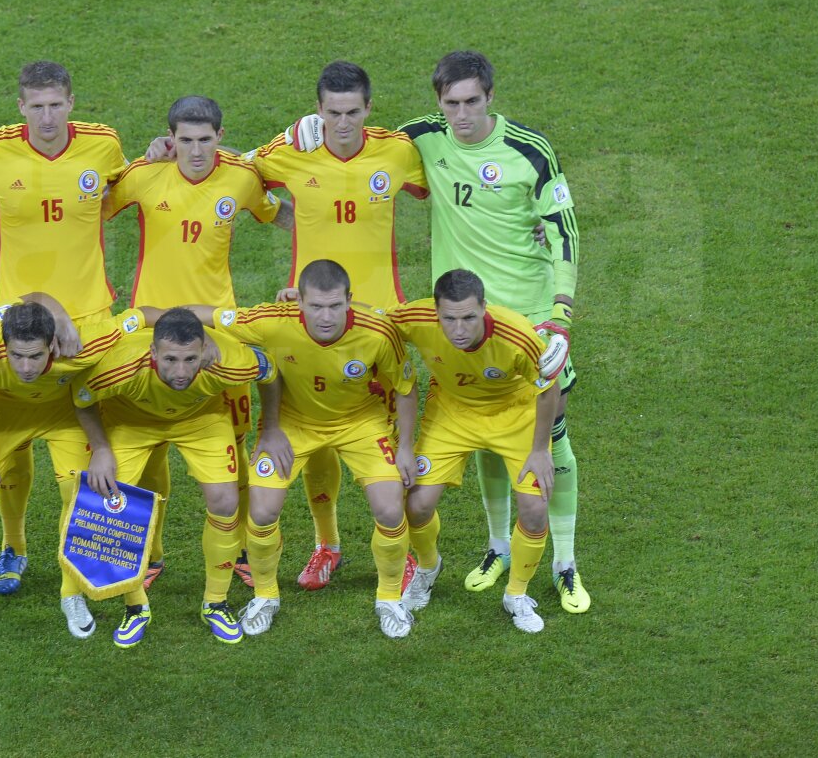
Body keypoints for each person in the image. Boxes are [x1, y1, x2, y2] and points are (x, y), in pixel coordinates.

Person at [148, 62, 427, 592]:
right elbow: (223, 167)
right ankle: (328, 544)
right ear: (317, 111)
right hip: (311, 315)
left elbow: (448, 168)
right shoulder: (289, 151)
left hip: (381, 321)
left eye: (352, 112)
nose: (342, 123)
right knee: (319, 438)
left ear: (369, 108)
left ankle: (404, 552)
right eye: (331, 113)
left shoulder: (398, 151)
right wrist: (159, 151)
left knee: (389, 447)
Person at [397, 51, 587, 612]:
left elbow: (564, 231)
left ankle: (565, 560)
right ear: (438, 102)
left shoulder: (530, 150)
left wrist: (561, 314)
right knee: (483, 426)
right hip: (460, 320)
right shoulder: (425, 139)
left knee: (549, 438)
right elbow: (357, 147)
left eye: (471, 102)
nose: (461, 115)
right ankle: (498, 546)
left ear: (490, 97)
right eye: (450, 103)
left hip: (528, 320)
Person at [0, 61, 129, 598]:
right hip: (13, 322)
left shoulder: (103, 145)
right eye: (37, 106)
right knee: (1, 452)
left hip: (91, 323)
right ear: (21, 107)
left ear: (72, 102)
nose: (48, 116)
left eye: (56, 104)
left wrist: (165, 152)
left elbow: (125, 192)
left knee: (105, 450)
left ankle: (102, 568)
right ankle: (13, 545)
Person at [104, 95, 284, 588]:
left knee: (235, 443)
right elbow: (90, 211)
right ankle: (151, 554)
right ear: (171, 137)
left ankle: (244, 550)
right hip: (149, 334)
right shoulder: (145, 175)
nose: (197, 150)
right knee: (150, 449)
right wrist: (133, 161)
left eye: (206, 139)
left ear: (220, 137)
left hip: (218, 334)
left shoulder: (241, 178)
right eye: (186, 140)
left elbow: (280, 215)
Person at [194, 259, 420, 639]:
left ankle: (388, 598)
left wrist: (406, 448)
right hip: (292, 425)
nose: (326, 316)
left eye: (335, 306)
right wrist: (153, 324)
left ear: (351, 300)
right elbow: (206, 315)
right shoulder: (272, 320)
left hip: (360, 422)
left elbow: (407, 386)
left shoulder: (378, 333)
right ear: (299, 301)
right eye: (316, 306)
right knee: (262, 511)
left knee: (389, 507)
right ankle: (266, 596)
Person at [75, 308, 275, 647]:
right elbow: (81, 397)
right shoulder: (119, 365)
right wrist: (101, 448)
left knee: (226, 501)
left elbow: (269, 372)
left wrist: (270, 429)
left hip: (202, 419)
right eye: (170, 359)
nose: (180, 372)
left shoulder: (229, 361)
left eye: (189, 359)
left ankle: (216, 603)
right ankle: (135, 607)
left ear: (204, 351)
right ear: (152, 353)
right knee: (113, 503)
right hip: (132, 422)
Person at [0, 302, 141, 640]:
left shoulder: (83, 345)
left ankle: (72, 594)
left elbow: (140, 317)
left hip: (63, 416)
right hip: (4, 417)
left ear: (53, 344)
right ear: (3, 344)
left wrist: (207, 337)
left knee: (81, 492)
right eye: (16, 356)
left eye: (35, 356)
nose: (25, 367)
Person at [387, 269, 559, 633]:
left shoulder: (518, 336)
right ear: (436, 312)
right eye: (449, 318)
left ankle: (516, 594)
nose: (459, 329)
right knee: (415, 504)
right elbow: (365, 321)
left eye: (468, 317)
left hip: (513, 414)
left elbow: (548, 388)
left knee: (535, 507)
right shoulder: (415, 318)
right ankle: (428, 566)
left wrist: (541, 449)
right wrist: (296, 310)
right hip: (452, 413)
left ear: (484, 307)